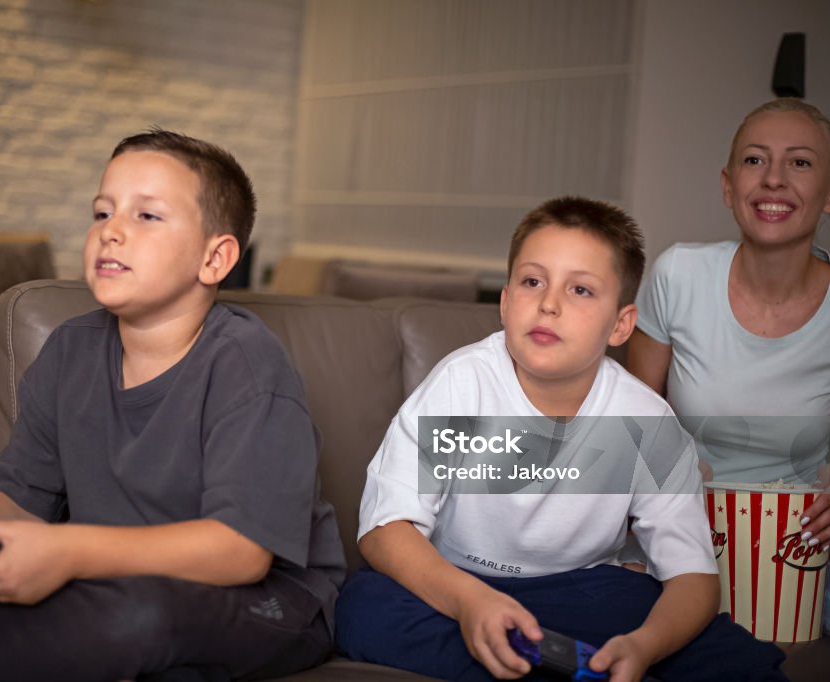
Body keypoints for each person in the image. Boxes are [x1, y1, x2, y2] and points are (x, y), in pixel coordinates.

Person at [0, 129, 346, 680]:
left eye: (147, 216)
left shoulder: (246, 365)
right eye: (102, 212)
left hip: (267, 601)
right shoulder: (71, 349)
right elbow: (21, 494)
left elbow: (241, 553)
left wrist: (65, 552)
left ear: (215, 258)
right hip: (109, 580)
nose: (111, 231)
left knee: (137, 618)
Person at [334, 197, 787, 681]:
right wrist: (471, 603)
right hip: (459, 587)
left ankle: (570, 661)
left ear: (620, 325)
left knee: (733, 655)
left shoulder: (647, 419)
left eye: (580, 290)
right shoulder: (462, 385)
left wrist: (645, 645)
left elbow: (692, 577)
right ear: (505, 303)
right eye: (533, 282)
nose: (549, 303)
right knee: (364, 607)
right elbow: (386, 530)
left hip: (581, 595)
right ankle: (541, 660)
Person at [627, 99, 830, 560]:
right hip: (683, 525)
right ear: (728, 185)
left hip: (806, 540)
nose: (773, 178)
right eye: (754, 160)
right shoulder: (677, 273)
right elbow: (635, 425)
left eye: (800, 162)